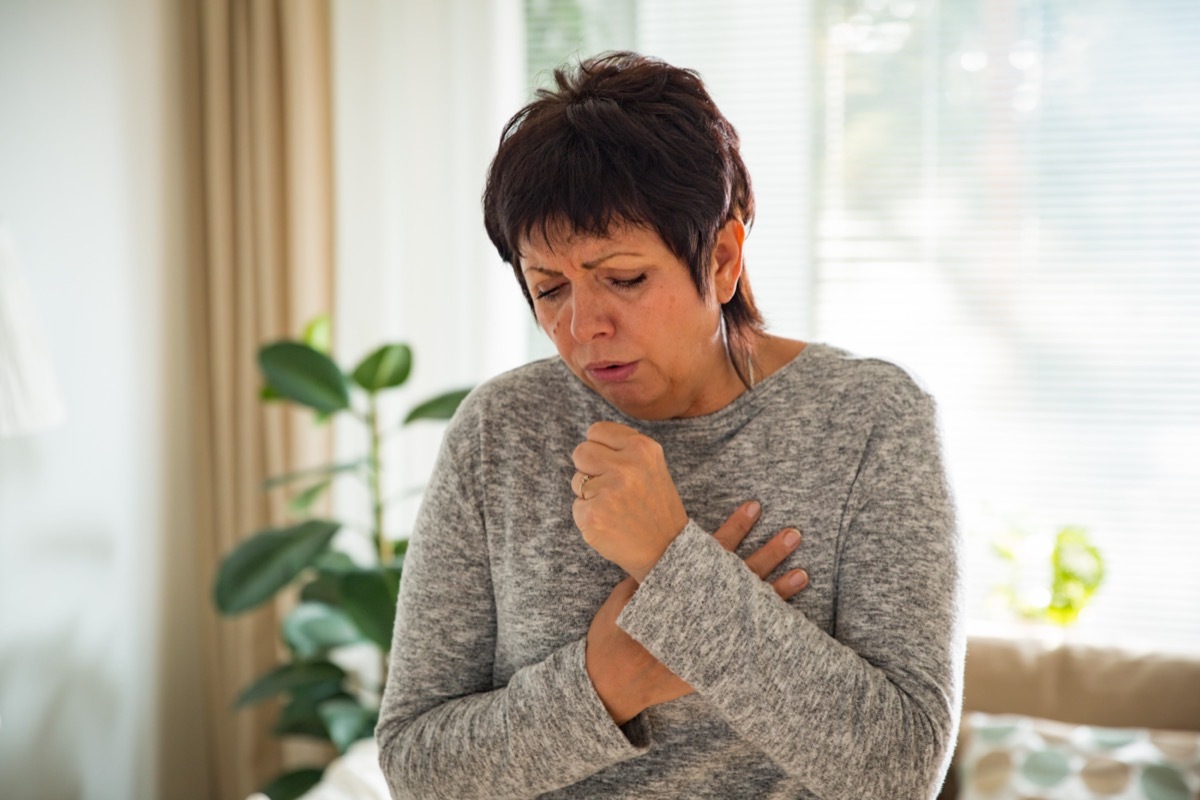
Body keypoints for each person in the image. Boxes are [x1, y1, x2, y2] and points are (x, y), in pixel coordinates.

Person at [376, 52, 963, 799]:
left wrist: (671, 563)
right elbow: (415, 765)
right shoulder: (500, 431)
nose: (583, 327)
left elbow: (901, 769)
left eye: (623, 278)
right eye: (548, 288)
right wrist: (606, 682)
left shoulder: (872, 421)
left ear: (721, 258)